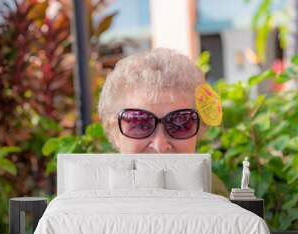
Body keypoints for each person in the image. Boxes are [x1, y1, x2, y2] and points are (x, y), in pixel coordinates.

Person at [98, 48, 229, 197]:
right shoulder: (95, 195)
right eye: (140, 124)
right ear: (114, 130)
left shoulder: (211, 192)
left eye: (179, 124)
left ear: (198, 130)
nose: (160, 146)